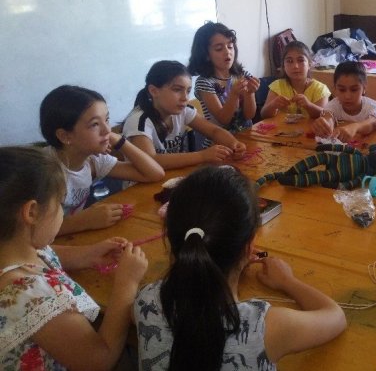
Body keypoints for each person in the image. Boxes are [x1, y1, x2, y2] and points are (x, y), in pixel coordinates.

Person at [133, 166, 346, 370]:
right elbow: (336, 317)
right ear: (249, 247)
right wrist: (288, 282)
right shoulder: (266, 328)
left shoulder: (146, 301)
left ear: (172, 238)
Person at [0, 146, 147, 370]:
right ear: (32, 212)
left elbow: (46, 254)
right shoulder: (30, 296)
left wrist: (89, 254)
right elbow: (99, 359)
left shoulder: (16, 248)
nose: (62, 211)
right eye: (60, 203)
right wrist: (127, 283)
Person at [40, 85, 164, 235]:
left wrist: (119, 140)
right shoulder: (44, 173)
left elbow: (154, 174)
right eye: (95, 124)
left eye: (107, 119)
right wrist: (83, 221)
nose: (107, 130)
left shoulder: (93, 160)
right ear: (65, 136)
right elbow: (32, 233)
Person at [123, 60, 246, 170]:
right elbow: (151, 160)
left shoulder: (183, 110)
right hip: (143, 185)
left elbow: (214, 131)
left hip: (173, 175)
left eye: (188, 91)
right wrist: (202, 156)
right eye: (177, 90)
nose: (185, 97)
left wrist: (234, 144)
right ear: (154, 91)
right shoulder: (139, 121)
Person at [187, 21, 259, 142]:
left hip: (247, 138)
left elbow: (249, 115)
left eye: (230, 46)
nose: (227, 52)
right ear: (206, 55)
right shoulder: (204, 83)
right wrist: (234, 94)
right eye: (219, 48)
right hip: (220, 145)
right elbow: (223, 120)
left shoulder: (242, 75)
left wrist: (250, 93)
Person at [311, 61, 376, 142]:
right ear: (335, 88)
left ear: (364, 88)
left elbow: (373, 122)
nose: (347, 96)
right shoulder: (333, 105)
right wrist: (325, 125)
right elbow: (328, 116)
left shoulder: (373, 107)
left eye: (354, 90)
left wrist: (355, 127)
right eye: (342, 90)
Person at [260, 41, 330, 119]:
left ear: (309, 64)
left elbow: (325, 115)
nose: (295, 66)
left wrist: (309, 105)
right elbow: (263, 115)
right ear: (283, 66)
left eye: (300, 60)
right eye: (289, 61)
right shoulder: (277, 86)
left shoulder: (320, 89)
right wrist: (273, 105)